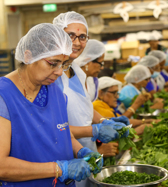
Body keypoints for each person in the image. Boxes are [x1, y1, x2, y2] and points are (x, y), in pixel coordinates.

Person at [0, 23, 103, 187]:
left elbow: (61, 131)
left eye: (63, 64)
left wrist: (81, 151)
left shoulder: (54, 90)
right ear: (28, 56)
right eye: (52, 63)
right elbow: (2, 167)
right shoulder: (4, 96)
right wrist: (59, 169)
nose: (59, 72)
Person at [53, 12, 128, 187]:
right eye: (70, 35)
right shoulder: (52, 77)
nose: (77, 42)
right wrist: (94, 130)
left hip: (88, 152)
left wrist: (104, 121)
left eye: (82, 37)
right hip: (68, 160)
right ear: (57, 35)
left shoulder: (78, 72)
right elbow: (55, 128)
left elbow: (84, 107)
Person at [94, 76, 159, 135]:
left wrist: (146, 121)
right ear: (101, 94)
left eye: (117, 93)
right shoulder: (97, 105)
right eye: (114, 93)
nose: (117, 96)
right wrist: (136, 132)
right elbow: (116, 127)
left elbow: (123, 120)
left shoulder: (107, 106)